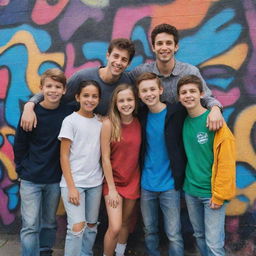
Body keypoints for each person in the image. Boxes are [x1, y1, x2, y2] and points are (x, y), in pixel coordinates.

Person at [13, 68, 73, 256]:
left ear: (64, 90)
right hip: (30, 178)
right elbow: (20, 145)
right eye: (49, 86)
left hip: (54, 179)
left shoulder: (68, 111)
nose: (53, 90)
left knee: (49, 222)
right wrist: (21, 170)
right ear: (41, 89)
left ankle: (45, 251)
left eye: (57, 87)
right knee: (30, 225)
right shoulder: (30, 114)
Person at [177, 75, 236, 256]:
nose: (188, 96)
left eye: (192, 91)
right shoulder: (184, 121)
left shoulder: (215, 122)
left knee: (214, 244)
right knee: (199, 236)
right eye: (184, 92)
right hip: (191, 191)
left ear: (202, 94)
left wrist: (219, 195)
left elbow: (227, 162)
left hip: (212, 194)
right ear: (179, 97)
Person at [21, 38, 135, 130]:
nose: (118, 62)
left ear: (128, 64)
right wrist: (30, 104)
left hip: (108, 139)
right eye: (115, 56)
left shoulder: (127, 82)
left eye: (124, 59)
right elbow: (57, 94)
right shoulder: (83, 77)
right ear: (107, 55)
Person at [128, 23, 224, 131]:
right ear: (153, 48)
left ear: (176, 46)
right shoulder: (141, 72)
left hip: (184, 132)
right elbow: (121, 80)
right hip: (152, 132)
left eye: (168, 43)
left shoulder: (189, 72)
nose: (164, 47)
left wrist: (215, 109)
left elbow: (206, 97)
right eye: (160, 43)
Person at [136, 72, 187, 256]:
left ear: (160, 90)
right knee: (149, 231)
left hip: (170, 185)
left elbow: (201, 102)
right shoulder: (141, 115)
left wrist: (215, 109)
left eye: (152, 89)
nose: (149, 94)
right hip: (146, 184)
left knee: (174, 233)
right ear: (139, 94)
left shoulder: (176, 112)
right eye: (144, 91)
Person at [58, 80, 103, 256]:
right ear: (78, 97)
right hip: (74, 183)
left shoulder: (100, 122)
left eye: (94, 96)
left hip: (95, 183)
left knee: (91, 225)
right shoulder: (70, 121)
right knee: (77, 226)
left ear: (99, 99)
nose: (90, 100)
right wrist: (71, 187)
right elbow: (63, 155)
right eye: (86, 96)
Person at [100, 84, 141, 256]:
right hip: (113, 182)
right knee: (115, 227)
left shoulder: (139, 122)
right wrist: (113, 190)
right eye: (121, 100)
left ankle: (120, 253)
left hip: (133, 180)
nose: (126, 104)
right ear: (115, 103)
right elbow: (105, 158)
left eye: (129, 99)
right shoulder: (109, 124)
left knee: (125, 223)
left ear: (135, 102)